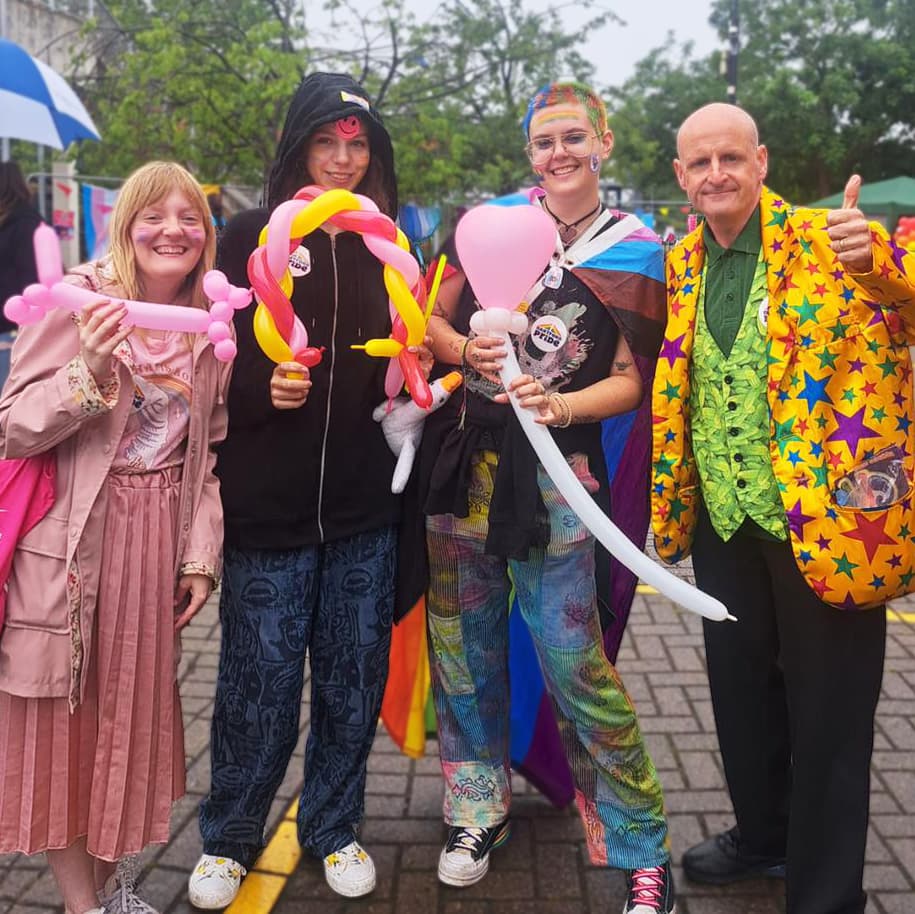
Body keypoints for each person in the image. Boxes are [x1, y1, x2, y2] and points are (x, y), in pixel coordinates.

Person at [651, 102, 915, 914]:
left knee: (830, 717)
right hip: (727, 520)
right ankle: (762, 835)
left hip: (830, 523)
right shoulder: (683, 260)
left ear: (760, 162)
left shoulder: (835, 238)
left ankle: (825, 895)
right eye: (699, 164)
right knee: (740, 696)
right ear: (680, 178)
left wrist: (877, 264)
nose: (715, 175)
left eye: (730, 158)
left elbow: (903, 317)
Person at [419, 82, 675, 914]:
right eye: (541, 142)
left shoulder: (636, 251)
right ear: (527, 152)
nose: (556, 154)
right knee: (463, 658)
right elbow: (431, 323)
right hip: (463, 474)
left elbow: (633, 384)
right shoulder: (489, 225)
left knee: (578, 669)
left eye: (572, 138)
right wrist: (467, 353)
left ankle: (642, 848)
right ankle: (474, 811)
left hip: (559, 486)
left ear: (602, 140)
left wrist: (563, 405)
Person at [189, 72, 425, 906]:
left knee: (352, 679)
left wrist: (423, 373)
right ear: (297, 146)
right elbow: (210, 360)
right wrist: (262, 389)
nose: (341, 159)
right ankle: (229, 836)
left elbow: (409, 353)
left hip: (366, 508)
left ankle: (334, 826)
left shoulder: (388, 241)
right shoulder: (249, 235)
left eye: (356, 144)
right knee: (257, 681)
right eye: (325, 141)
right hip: (269, 509)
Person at [0, 161, 227, 914]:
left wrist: (200, 554)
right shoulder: (78, 301)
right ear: (124, 225)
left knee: (127, 721)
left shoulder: (208, 319)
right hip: (70, 545)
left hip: (154, 544)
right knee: (67, 721)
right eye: (153, 216)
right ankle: (80, 905)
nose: (173, 230)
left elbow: (207, 455)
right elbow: (13, 426)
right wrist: (88, 365)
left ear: (207, 230)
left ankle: (109, 887)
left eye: (189, 216)